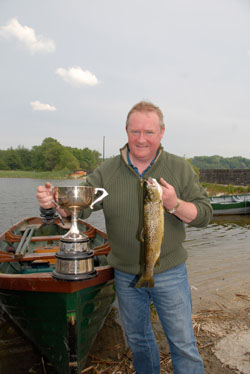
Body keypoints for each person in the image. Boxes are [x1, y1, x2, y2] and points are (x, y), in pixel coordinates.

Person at [36, 101, 213, 374]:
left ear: (162, 133)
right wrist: (53, 203)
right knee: (139, 342)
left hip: (170, 272)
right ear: (126, 131)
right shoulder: (107, 171)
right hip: (125, 275)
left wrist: (175, 204)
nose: (141, 139)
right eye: (135, 131)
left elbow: (204, 214)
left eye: (149, 132)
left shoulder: (179, 168)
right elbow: (78, 205)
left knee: (183, 344)